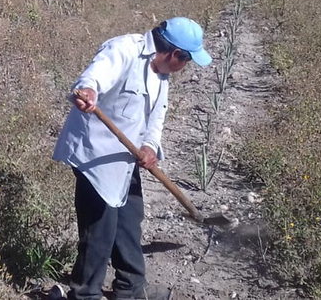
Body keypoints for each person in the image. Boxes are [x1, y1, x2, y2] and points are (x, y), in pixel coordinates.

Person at [53, 17, 212, 300]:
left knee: (130, 219)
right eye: (186, 61)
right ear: (175, 54)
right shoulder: (124, 49)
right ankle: (85, 294)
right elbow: (95, 76)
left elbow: (157, 116)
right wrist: (88, 90)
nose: (185, 68)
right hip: (95, 157)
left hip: (125, 160)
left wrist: (150, 146)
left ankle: (131, 289)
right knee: (100, 228)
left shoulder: (162, 74)